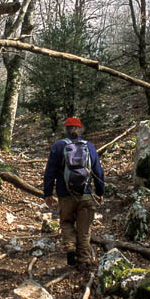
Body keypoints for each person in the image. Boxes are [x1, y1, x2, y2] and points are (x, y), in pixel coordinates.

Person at [43, 116, 105, 270]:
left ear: (65, 129)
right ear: (80, 129)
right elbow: (98, 172)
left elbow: (50, 172)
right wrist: (100, 191)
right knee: (84, 230)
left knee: (66, 222)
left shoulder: (58, 146)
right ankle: (84, 261)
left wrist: (48, 193)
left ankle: (70, 247)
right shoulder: (89, 146)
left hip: (65, 195)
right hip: (86, 194)